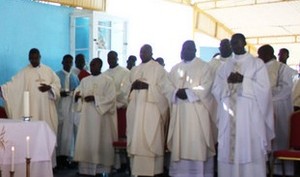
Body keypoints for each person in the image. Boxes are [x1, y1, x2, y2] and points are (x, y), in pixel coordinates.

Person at [212, 33, 275, 177]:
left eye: (238, 42)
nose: (235, 46)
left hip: (249, 116)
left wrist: (243, 80)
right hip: (228, 115)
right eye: (232, 43)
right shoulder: (224, 66)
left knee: (250, 148)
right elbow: (216, 88)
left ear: (245, 43)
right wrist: (228, 83)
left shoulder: (256, 63)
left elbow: (264, 89)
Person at [167, 40, 216, 177]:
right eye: (184, 48)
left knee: (197, 143)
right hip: (179, 112)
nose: (186, 50)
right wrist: (176, 92)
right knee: (180, 144)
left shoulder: (204, 67)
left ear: (195, 50)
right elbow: (167, 86)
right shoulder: (175, 68)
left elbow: (206, 87)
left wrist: (187, 92)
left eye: (189, 48)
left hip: (196, 113)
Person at [126, 44, 171, 177]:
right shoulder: (134, 70)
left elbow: (165, 92)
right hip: (136, 110)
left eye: (145, 51)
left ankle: (154, 172)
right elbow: (125, 91)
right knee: (136, 138)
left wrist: (147, 87)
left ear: (151, 53)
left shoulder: (159, 69)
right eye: (141, 51)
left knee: (151, 139)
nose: (142, 54)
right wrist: (132, 86)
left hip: (152, 111)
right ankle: (136, 172)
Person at [73, 58, 117, 176]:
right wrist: (77, 96)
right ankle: (85, 169)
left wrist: (95, 98)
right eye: (91, 65)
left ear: (100, 66)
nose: (92, 67)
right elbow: (78, 92)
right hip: (87, 117)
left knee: (100, 140)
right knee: (87, 140)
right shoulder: (85, 80)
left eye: (94, 65)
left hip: (101, 119)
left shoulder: (108, 80)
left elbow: (111, 99)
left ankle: (102, 170)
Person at [0, 48, 61, 133]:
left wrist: (50, 88)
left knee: (47, 132)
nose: (33, 61)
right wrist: (3, 89)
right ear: (29, 58)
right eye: (31, 59)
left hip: (46, 108)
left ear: (40, 57)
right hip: (32, 109)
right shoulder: (24, 72)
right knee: (33, 132)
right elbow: (13, 85)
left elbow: (57, 84)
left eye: (36, 58)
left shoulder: (48, 71)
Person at [258, 44, 294, 175]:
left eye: (260, 54)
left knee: (281, 136)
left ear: (268, 54)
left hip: (279, 108)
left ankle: (284, 170)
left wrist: (266, 94)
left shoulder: (281, 68)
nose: (259, 57)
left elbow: (286, 88)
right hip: (262, 108)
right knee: (265, 139)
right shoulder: (258, 69)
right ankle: (267, 169)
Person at [103, 50, 130, 172]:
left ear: (117, 58)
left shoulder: (125, 72)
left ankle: (125, 163)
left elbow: (125, 91)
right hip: (108, 110)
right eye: (109, 58)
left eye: (113, 58)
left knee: (122, 136)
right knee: (111, 137)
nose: (110, 60)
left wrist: (111, 98)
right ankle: (114, 164)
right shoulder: (104, 74)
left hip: (120, 109)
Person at [56, 54, 80, 168]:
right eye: (66, 62)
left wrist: (75, 93)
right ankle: (59, 157)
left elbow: (79, 91)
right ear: (62, 62)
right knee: (60, 132)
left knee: (70, 133)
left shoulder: (75, 77)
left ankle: (68, 157)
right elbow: (54, 91)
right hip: (60, 107)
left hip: (71, 108)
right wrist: (60, 93)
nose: (68, 64)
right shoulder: (56, 75)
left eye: (70, 62)